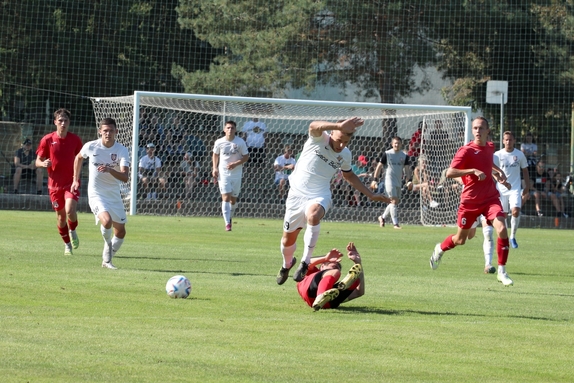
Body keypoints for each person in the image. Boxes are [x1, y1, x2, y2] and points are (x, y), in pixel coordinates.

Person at [276, 117, 391, 285]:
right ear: (331, 132)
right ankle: (287, 265)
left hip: (320, 194)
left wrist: (370, 195)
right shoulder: (318, 138)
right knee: (287, 241)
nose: (342, 145)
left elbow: (349, 175)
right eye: (339, 140)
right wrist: (338, 125)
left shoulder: (345, 154)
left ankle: (305, 262)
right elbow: (313, 125)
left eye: (346, 142)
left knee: (314, 215)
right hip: (296, 196)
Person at [429, 117, 514, 286]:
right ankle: (440, 249)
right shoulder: (465, 150)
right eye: (475, 128)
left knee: (502, 228)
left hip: (490, 198)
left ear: (487, 131)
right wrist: (473, 170)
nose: (477, 131)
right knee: (461, 240)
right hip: (470, 202)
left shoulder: (490, 147)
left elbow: (487, 164)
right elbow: (450, 173)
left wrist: (498, 174)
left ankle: (502, 272)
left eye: (481, 128)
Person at [71, 117, 130, 269]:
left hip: (114, 194)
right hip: (96, 194)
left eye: (111, 131)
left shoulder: (122, 150)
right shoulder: (91, 146)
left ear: (116, 132)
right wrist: (75, 180)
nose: (108, 133)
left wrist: (110, 170)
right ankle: (107, 256)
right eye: (105, 131)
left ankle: (107, 259)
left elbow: (125, 177)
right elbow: (78, 158)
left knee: (121, 231)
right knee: (107, 221)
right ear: (100, 131)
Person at [36, 108, 83, 255]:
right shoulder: (47, 139)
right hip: (54, 185)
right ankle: (67, 245)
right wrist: (43, 164)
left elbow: (80, 158)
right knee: (61, 217)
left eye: (66, 121)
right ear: (55, 122)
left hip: (71, 182)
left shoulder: (75, 140)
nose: (63, 123)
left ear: (69, 122)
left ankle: (73, 230)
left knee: (70, 210)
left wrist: (76, 177)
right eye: (60, 120)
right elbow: (37, 160)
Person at [297, 242, 364, 311]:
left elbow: (359, 292)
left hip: (327, 304)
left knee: (355, 281)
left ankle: (327, 295)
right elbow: (307, 263)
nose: (336, 269)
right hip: (310, 291)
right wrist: (325, 258)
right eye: (333, 266)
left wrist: (358, 263)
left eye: (338, 268)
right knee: (336, 273)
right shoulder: (312, 272)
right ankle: (321, 296)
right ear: (322, 266)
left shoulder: (332, 287)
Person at [494, 131, 530, 248]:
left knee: (515, 211)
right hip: (501, 190)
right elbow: (493, 172)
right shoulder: (497, 155)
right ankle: (504, 239)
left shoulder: (519, 155)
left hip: (515, 189)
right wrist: (501, 181)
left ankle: (512, 236)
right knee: (503, 215)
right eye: (506, 140)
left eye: (510, 139)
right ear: (503, 141)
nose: (508, 142)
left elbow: (525, 170)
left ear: (514, 141)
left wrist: (527, 187)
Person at [212, 120, 250, 231]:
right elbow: (215, 154)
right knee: (226, 197)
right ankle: (227, 224)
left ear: (235, 130)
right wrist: (214, 168)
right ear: (224, 129)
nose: (230, 130)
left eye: (232, 128)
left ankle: (229, 217)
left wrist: (235, 164)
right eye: (228, 128)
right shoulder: (219, 142)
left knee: (233, 200)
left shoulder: (240, 142)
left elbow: (246, 156)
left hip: (237, 174)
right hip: (223, 174)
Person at [373, 136, 412, 229]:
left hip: (398, 181)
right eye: (395, 143)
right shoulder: (387, 154)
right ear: (392, 144)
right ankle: (395, 224)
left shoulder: (404, 156)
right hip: (389, 180)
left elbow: (407, 170)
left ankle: (382, 217)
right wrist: (375, 179)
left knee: (394, 202)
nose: (396, 145)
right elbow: (379, 167)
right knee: (393, 200)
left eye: (398, 143)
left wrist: (409, 181)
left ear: (401, 144)